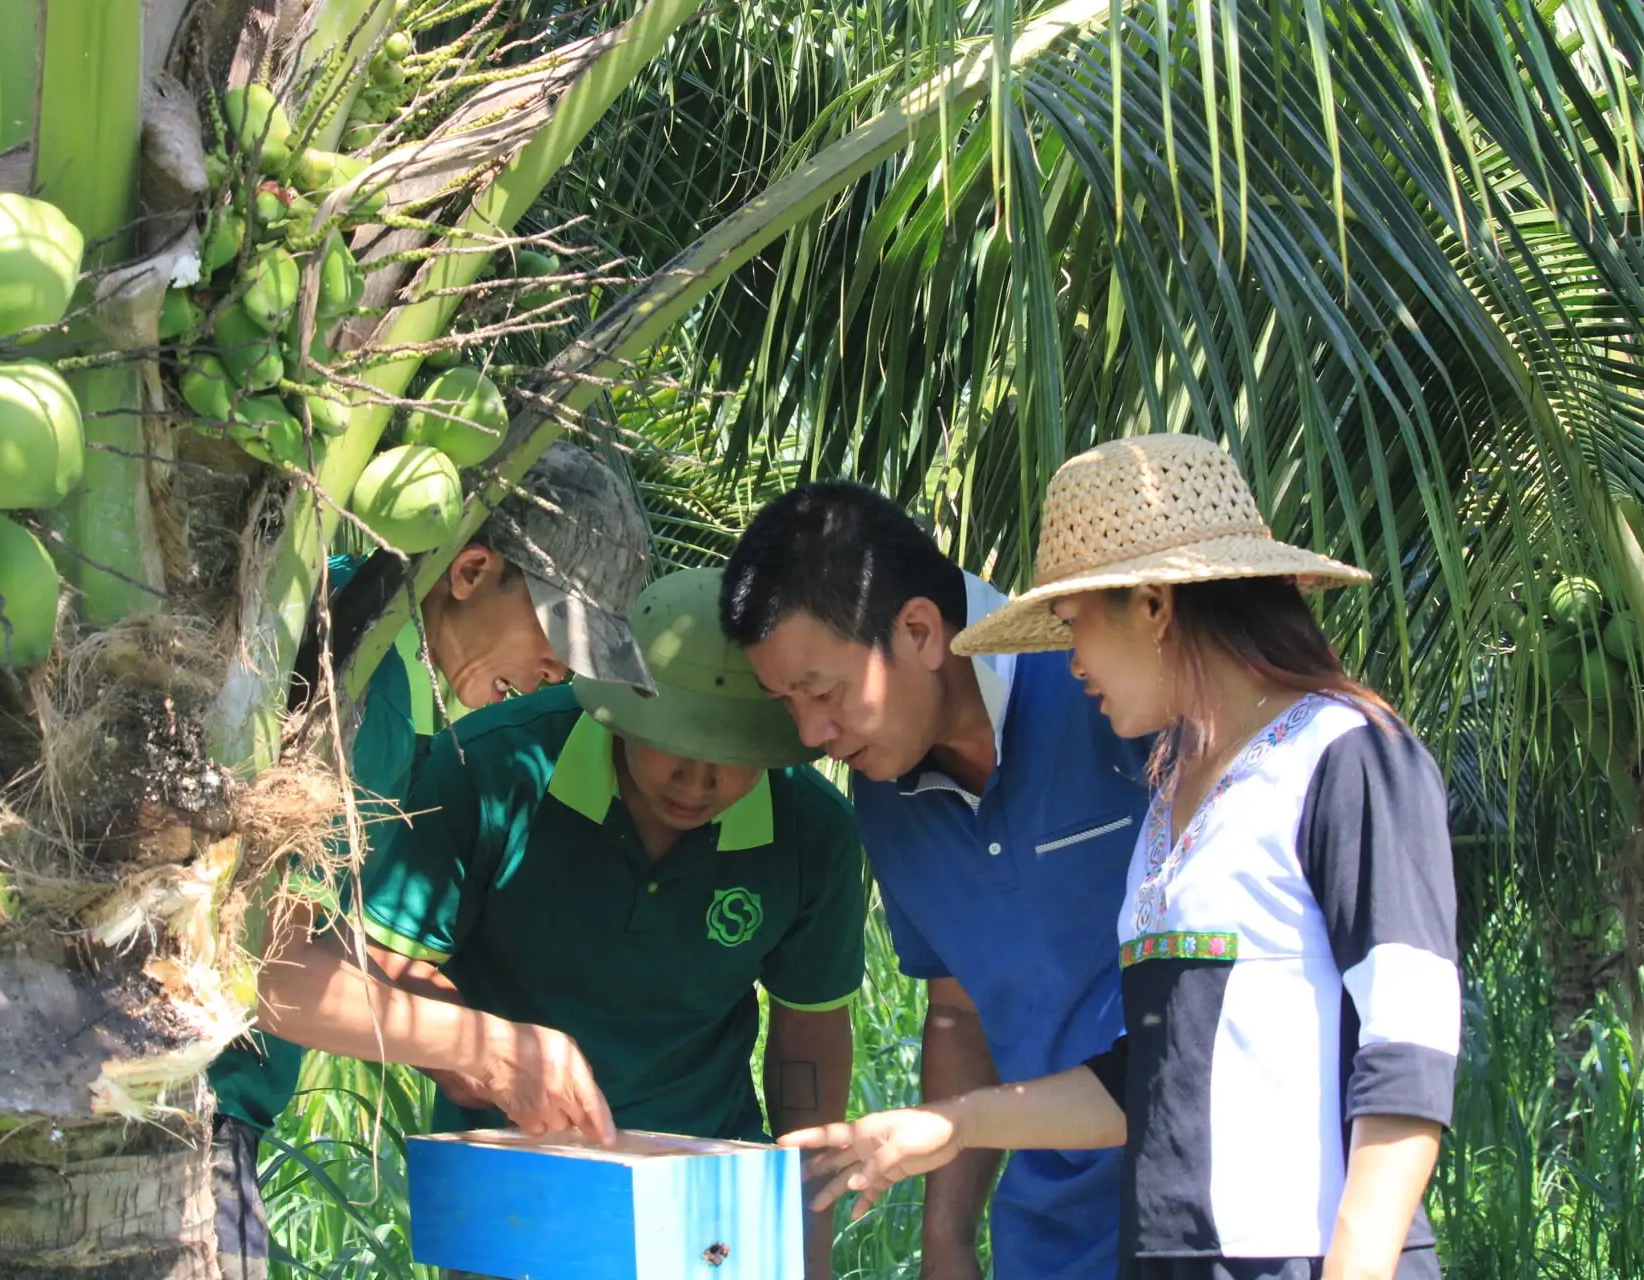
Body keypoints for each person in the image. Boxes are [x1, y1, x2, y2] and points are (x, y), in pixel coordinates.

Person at [782, 434, 1461, 1280]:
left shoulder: (1349, 753)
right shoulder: (1175, 799)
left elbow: (1410, 1054)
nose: (1070, 664)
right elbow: (1140, 1078)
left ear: (1154, 606)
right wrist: (945, 1126)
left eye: (1074, 626)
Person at [259, 566, 867, 1280]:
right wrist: (476, 1056)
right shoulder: (489, 768)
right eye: (675, 745)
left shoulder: (813, 833)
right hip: (517, 1193)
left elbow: (809, 1035)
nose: (697, 784)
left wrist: (807, 1242)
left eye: (733, 762)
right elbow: (378, 961)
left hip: (711, 1209)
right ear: (618, 706)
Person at [209, 440, 656, 1280]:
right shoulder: (365, 688)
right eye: (556, 634)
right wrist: (486, 1047)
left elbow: (302, 928)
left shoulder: (356, 628)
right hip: (185, 1123)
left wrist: (449, 1034)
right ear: (471, 570)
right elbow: (258, 969)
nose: (558, 674)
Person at [719, 484, 1152, 1280]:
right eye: (789, 705)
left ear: (919, 629)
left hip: (1206, 1217)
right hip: (1049, 1239)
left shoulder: (1110, 686)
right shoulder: (884, 796)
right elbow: (958, 1012)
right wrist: (946, 1237)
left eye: (824, 693)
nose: (812, 735)